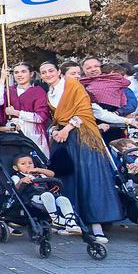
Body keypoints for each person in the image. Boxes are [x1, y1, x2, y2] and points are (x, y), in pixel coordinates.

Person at [41, 61, 120, 244]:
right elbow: (55, 118)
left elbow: (83, 111)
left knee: (89, 178)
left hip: (81, 137)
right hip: (63, 139)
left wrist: (66, 129)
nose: (47, 74)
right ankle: (73, 220)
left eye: (51, 70)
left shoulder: (72, 85)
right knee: (68, 179)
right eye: (44, 72)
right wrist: (55, 131)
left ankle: (97, 226)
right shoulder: (50, 93)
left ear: (58, 71)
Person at [0, 62, 51, 156]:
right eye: (16, 72)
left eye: (23, 72)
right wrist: (3, 77)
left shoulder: (38, 92)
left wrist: (17, 113)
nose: (19, 75)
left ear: (31, 74)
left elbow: (40, 117)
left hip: (32, 132)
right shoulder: (9, 91)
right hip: (13, 132)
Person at [12, 155, 79, 233]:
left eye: (30, 163)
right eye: (23, 164)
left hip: (48, 196)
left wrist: (38, 169)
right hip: (32, 197)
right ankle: (55, 218)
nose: (28, 165)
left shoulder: (39, 174)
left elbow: (52, 174)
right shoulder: (17, 177)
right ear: (16, 168)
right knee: (47, 195)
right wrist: (21, 181)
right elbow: (14, 188)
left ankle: (71, 222)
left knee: (63, 199)